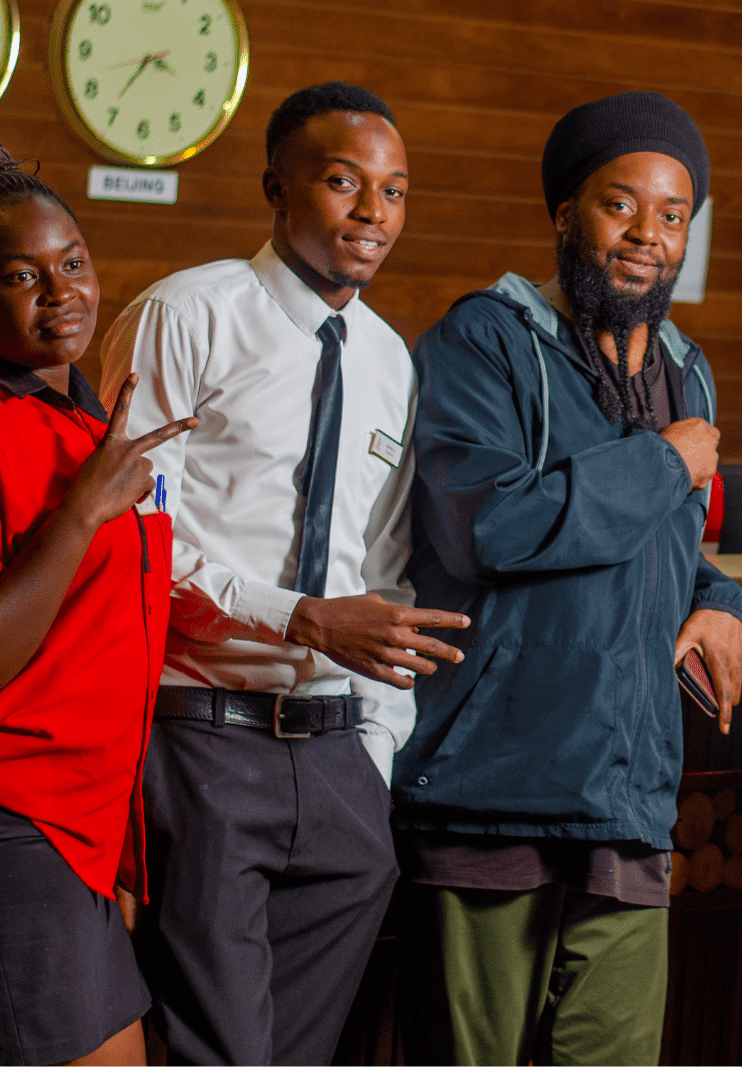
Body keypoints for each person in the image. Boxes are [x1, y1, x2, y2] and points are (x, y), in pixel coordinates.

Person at [97, 83, 470, 1065]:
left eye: (395, 191)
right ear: (277, 187)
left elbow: (385, 567)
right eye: (345, 183)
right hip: (202, 738)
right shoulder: (186, 313)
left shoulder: (389, 359)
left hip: (339, 760)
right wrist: (298, 616)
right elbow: (131, 539)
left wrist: (374, 749)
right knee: (219, 1048)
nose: (373, 212)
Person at [392, 90, 742, 1067]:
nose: (646, 235)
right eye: (618, 204)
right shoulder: (482, 340)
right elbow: (485, 526)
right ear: (564, 212)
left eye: (672, 214)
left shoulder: (685, 371)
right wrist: (664, 462)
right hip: (490, 793)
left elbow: (665, 550)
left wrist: (720, 601)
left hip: (627, 801)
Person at [0, 148, 194, 1067]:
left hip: (82, 829)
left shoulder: (85, 421)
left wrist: (114, 847)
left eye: (72, 262)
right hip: (20, 817)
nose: (61, 292)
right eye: (20, 276)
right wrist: (82, 510)